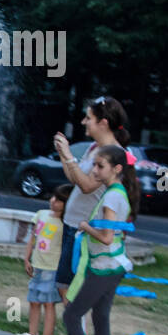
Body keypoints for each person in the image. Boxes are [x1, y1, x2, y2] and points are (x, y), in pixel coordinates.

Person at [50, 145, 138, 335]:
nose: (95, 169)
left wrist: (84, 226)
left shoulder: (111, 196)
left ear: (117, 168)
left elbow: (107, 236)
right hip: (111, 265)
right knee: (100, 318)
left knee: (71, 314)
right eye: (95, 164)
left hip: (105, 266)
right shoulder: (116, 192)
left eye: (100, 165)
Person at [53, 96, 131, 308]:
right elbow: (75, 180)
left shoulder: (113, 155)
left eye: (88, 118)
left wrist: (69, 155)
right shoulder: (93, 148)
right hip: (73, 225)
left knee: (70, 287)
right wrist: (63, 154)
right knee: (65, 284)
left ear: (103, 123)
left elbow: (87, 186)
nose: (83, 122)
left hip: (84, 230)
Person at [13, 183, 69, 335]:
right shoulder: (41, 214)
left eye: (59, 200)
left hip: (52, 268)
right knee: (34, 300)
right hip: (37, 265)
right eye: (53, 197)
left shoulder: (66, 224)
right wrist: (27, 258)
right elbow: (33, 238)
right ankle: (32, 333)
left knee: (48, 302)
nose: (53, 201)